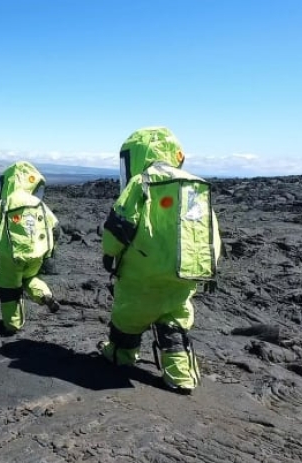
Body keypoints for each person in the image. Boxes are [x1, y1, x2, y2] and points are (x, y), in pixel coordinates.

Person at [99, 126, 222, 394]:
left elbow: (118, 226)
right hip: (182, 275)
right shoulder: (194, 186)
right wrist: (209, 265)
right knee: (174, 324)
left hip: (141, 276)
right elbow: (209, 232)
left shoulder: (140, 183)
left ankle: (120, 355)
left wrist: (110, 253)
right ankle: (181, 377)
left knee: (127, 319)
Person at [0, 161, 61, 334]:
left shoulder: (4, 203)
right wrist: (48, 254)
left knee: (9, 290)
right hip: (36, 255)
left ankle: (13, 325)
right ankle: (45, 295)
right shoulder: (39, 203)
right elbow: (55, 228)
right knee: (30, 278)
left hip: (11, 258)